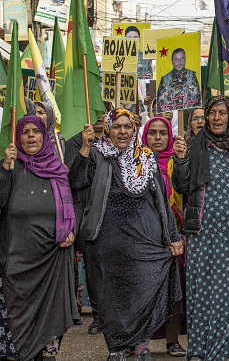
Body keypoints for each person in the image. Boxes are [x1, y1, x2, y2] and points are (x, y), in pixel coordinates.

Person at [69, 109, 184, 361]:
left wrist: (172, 236)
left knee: (143, 290)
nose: (123, 132)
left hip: (145, 237)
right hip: (108, 239)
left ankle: (142, 345)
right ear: (108, 130)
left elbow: (162, 201)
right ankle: (117, 347)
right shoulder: (98, 154)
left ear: (134, 130)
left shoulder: (147, 157)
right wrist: (85, 149)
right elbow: (76, 181)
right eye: (117, 127)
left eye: (127, 126)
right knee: (112, 295)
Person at [172, 94, 229, 361]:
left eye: (222, 113)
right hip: (203, 233)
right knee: (206, 294)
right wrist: (180, 159)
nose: (217, 118)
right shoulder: (193, 145)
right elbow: (181, 185)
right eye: (212, 113)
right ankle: (204, 349)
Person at [0, 115, 78, 361]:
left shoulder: (59, 169)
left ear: (45, 137)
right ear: (18, 137)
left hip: (52, 262)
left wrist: (71, 229)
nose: (31, 136)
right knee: (16, 338)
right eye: (25, 132)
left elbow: (72, 206)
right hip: (16, 265)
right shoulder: (10, 167)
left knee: (49, 334)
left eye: (36, 131)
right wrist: (4, 171)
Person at [141, 117, 187, 358]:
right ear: (145, 135)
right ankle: (141, 342)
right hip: (144, 236)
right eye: (153, 133)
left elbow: (183, 190)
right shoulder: (135, 162)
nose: (158, 138)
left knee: (175, 287)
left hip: (172, 234)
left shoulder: (175, 162)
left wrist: (180, 161)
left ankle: (173, 341)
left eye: (162, 133)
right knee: (145, 291)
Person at [64, 113, 106, 335]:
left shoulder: (108, 143)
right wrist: (85, 148)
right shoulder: (73, 142)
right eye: (95, 113)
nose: (98, 117)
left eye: (103, 113)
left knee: (98, 266)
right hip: (79, 211)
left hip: (101, 211)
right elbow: (72, 179)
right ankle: (75, 309)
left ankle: (102, 315)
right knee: (81, 264)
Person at [157, 48, 202, 113]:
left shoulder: (192, 76)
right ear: (172, 61)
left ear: (185, 60)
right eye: (176, 59)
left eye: (182, 59)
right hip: (171, 117)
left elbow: (198, 100)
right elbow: (160, 104)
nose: (179, 62)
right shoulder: (165, 79)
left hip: (189, 115)